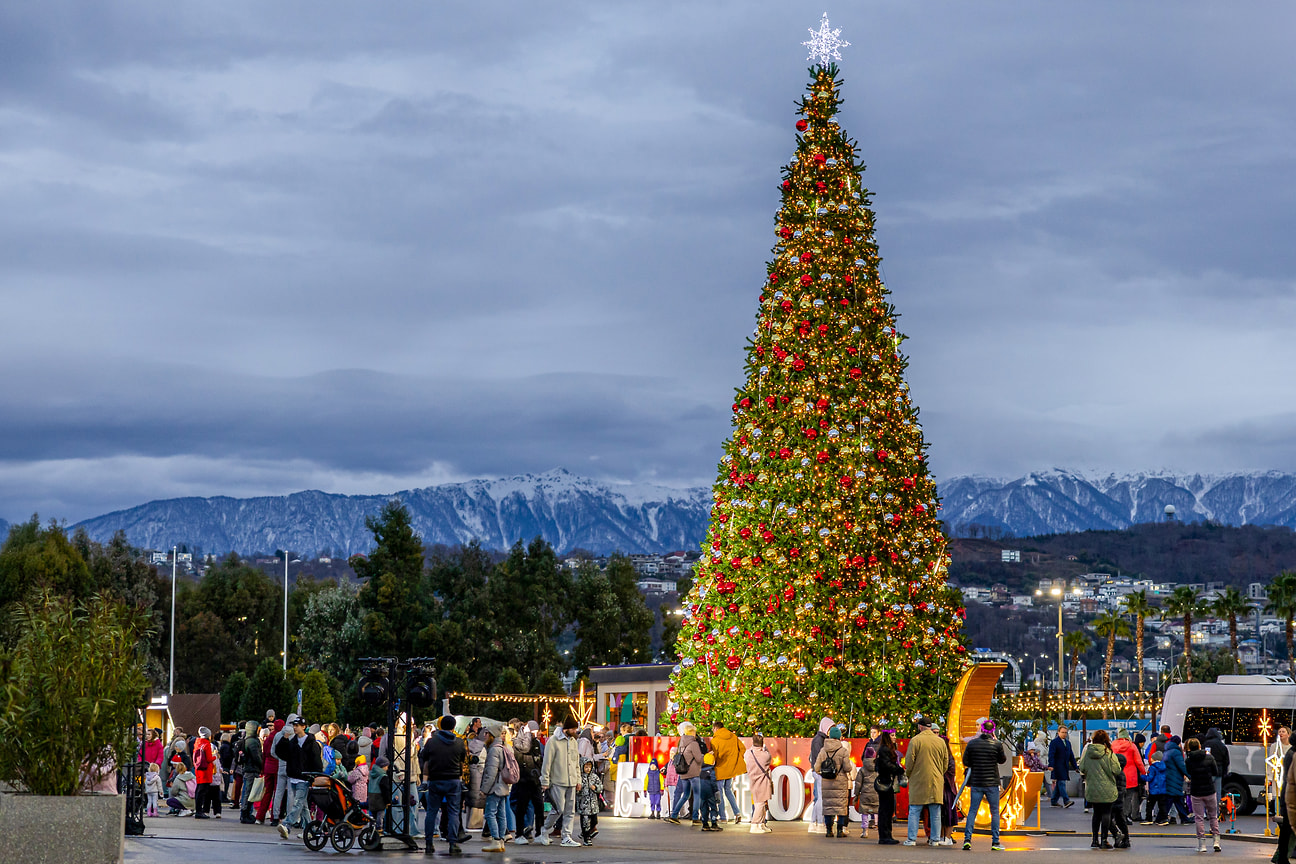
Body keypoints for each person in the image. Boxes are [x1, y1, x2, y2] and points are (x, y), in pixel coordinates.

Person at [420, 714, 466, 855]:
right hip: (453, 780)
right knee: (453, 812)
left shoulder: (431, 742)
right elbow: (462, 762)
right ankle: (453, 843)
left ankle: (429, 843)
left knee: (432, 811)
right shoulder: (459, 743)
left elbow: (425, 759)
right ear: (453, 727)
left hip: (435, 779)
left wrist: (425, 780)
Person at [903, 716, 949, 846]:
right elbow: (946, 762)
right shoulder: (940, 741)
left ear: (920, 727)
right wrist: (940, 773)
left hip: (918, 780)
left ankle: (911, 839)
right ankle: (935, 839)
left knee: (914, 810)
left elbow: (909, 761)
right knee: (935, 811)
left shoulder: (915, 740)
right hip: (936, 780)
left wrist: (909, 774)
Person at [962, 719, 1007, 851]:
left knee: (972, 811)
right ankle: (995, 842)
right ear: (992, 731)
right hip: (992, 782)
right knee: (995, 812)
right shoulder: (997, 744)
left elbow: (966, 761)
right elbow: (1002, 760)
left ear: (981, 729)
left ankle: (967, 839)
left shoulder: (972, 744)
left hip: (976, 781)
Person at [538, 715, 583, 848]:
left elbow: (576, 763)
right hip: (558, 780)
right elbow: (547, 762)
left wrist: (578, 779)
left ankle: (566, 836)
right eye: (574, 729)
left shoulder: (573, 742)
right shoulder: (553, 741)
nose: (576, 731)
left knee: (570, 811)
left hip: (571, 781)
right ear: (567, 729)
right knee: (558, 809)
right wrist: (545, 780)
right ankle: (545, 830)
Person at [276, 714, 323, 839]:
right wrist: (284, 740)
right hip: (293, 776)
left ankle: (287, 825)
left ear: (304, 727)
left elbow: (316, 761)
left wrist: (316, 776)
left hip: (305, 778)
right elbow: (281, 753)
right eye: (294, 726)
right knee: (303, 807)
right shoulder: (293, 742)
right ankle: (310, 830)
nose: (295, 728)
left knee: (298, 803)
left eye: (297, 726)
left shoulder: (311, 743)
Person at [1079, 730, 1122, 849]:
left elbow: (1082, 767)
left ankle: (1094, 840)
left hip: (1092, 787)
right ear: (1106, 740)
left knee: (1096, 813)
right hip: (1107, 787)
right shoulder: (1108, 753)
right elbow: (1117, 769)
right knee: (1106, 813)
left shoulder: (1088, 752)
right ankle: (1104, 840)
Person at [480, 727, 516, 853]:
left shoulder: (493, 750)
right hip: (504, 786)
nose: (484, 736)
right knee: (501, 815)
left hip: (495, 786)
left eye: (486, 733)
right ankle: (500, 841)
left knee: (490, 813)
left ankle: (495, 839)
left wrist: (484, 789)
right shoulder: (503, 747)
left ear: (491, 735)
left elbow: (491, 772)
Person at [813, 725, 853, 838]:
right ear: (839, 737)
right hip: (840, 782)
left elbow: (816, 768)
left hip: (827, 782)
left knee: (828, 807)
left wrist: (823, 773)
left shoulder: (823, 750)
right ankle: (840, 830)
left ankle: (829, 830)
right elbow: (847, 768)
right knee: (840, 807)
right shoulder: (843, 751)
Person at [1185, 737, 1221, 853]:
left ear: (1190, 748)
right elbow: (1216, 772)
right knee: (1213, 816)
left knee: (1199, 818)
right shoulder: (1209, 758)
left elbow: (1189, 773)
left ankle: (1202, 844)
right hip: (1210, 789)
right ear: (1200, 746)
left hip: (1196, 791)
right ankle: (1216, 841)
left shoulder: (1189, 760)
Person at [665, 722, 704, 825]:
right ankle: (695, 817)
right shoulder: (694, 744)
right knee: (696, 795)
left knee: (685, 795)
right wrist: (705, 756)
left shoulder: (681, 743)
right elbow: (699, 759)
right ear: (692, 732)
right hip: (693, 773)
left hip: (683, 773)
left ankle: (674, 815)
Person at [511, 721, 544, 842]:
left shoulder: (534, 741)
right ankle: (519, 834)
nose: (536, 734)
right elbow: (525, 748)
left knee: (539, 806)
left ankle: (539, 832)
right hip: (524, 778)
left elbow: (539, 758)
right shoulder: (518, 741)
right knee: (522, 806)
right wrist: (527, 734)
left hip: (534, 778)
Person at [710, 721, 746, 824]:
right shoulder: (733, 736)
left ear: (716, 728)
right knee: (729, 791)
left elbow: (715, 756)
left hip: (720, 770)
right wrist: (736, 760)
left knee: (720, 793)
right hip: (731, 770)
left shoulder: (715, 740)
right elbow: (742, 749)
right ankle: (737, 813)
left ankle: (723, 817)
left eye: (713, 729)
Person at [874, 730, 902, 845]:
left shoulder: (885, 748)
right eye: (892, 735)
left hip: (887, 781)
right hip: (886, 782)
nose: (894, 737)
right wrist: (897, 769)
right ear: (887, 736)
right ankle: (885, 835)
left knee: (887, 808)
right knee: (886, 809)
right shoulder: (885, 749)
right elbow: (886, 765)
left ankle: (887, 834)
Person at [1111, 729, 1145, 824]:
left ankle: (1115, 816)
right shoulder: (1132, 745)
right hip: (1131, 776)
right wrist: (1143, 772)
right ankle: (1124, 816)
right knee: (1128, 797)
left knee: (1117, 797)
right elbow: (1138, 762)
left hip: (1116, 774)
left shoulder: (1113, 745)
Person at [807, 717, 834, 833]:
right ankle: (819, 823)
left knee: (818, 798)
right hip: (820, 771)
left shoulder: (820, 739)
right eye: (829, 729)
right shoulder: (819, 740)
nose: (830, 731)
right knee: (821, 798)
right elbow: (820, 757)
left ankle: (813, 823)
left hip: (818, 770)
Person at [744, 735, 773, 834]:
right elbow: (769, 758)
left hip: (753, 779)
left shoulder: (748, 753)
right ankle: (755, 823)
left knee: (759, 802)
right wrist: (765, 748)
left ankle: (761, 824)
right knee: (760, 803)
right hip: (762, 780)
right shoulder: (765, 755)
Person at [1273, 727, 1293, 864]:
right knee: (1288, 829)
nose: (1280, 734)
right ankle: (1281, 856)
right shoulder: (1294, 755)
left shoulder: (1290, 752)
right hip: (1291, 796)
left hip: (1287, 793)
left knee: (1286, 829)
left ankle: (1281, 856)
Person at [852, 741, 879, 839]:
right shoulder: (877, 768)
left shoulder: (862, 770)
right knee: (876, 809)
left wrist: (856, 794)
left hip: (865, 794)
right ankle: (876, 824)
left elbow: (858, 783)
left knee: (865, 813)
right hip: (876, 793)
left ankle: (865, 831)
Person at [1162, 735, 1191, 825]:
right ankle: (1162, 817)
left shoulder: (1167, 751)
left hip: (1169, 778)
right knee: (1172, 799)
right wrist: (1189, 775)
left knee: (1177, 799)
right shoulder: (1176, 752)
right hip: (1175, 778)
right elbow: (1181, 765)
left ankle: (1184, 817)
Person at [1048, 726, 1078, 808]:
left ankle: (1054, 801)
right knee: (1061, 783)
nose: (1064, 734)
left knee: (1059, 784)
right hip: (1057, 766)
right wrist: (1051, 765)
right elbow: (1051, 754)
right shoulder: (1054, 742)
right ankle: (1066, 800)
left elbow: (1071, 755)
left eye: (1065, 732)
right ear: (1058, 732)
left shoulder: (1068, 743)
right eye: (1063, 732)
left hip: (1064, 766)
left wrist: (1075, 767)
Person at [576, 759, 603, 844]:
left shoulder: (594, 777)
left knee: (594, 821)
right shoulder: (579, 777)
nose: (588, 769)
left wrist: (596, 788)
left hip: (593, 804)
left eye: (589, 767)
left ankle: (586, 833)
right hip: (583, 804)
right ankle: (586, 837)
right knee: (585, 822)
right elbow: (576, 790)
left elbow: (601, 786)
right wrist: (578, 790)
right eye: (586, 767)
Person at [192, 727, 216, 819]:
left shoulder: (197, 743)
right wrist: (215, 756)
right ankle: (200, 811)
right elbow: (209, 759)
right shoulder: (207, 744)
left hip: (198, 769)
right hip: (206, 770)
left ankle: (198, 810)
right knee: (203, 791)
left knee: (199, 790)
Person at [1203, 727, 1230, 805]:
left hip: (1208, 772)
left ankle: (1207, 811)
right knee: (1217, 793)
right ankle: (1216, 811)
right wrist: (1224, 772)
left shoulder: (1206, 744)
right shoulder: (1221, 745)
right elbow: (1226, 761)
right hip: (1219, 772)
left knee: (1207, 793)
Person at [697, 752, 720, 831]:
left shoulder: (700, 771)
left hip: (701, 793)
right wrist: (716, 791)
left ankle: (705, 824)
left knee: (704, 808)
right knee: (713, 807)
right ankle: (714, 823)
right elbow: (713, 783)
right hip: (710, 792)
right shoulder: (711, 771)